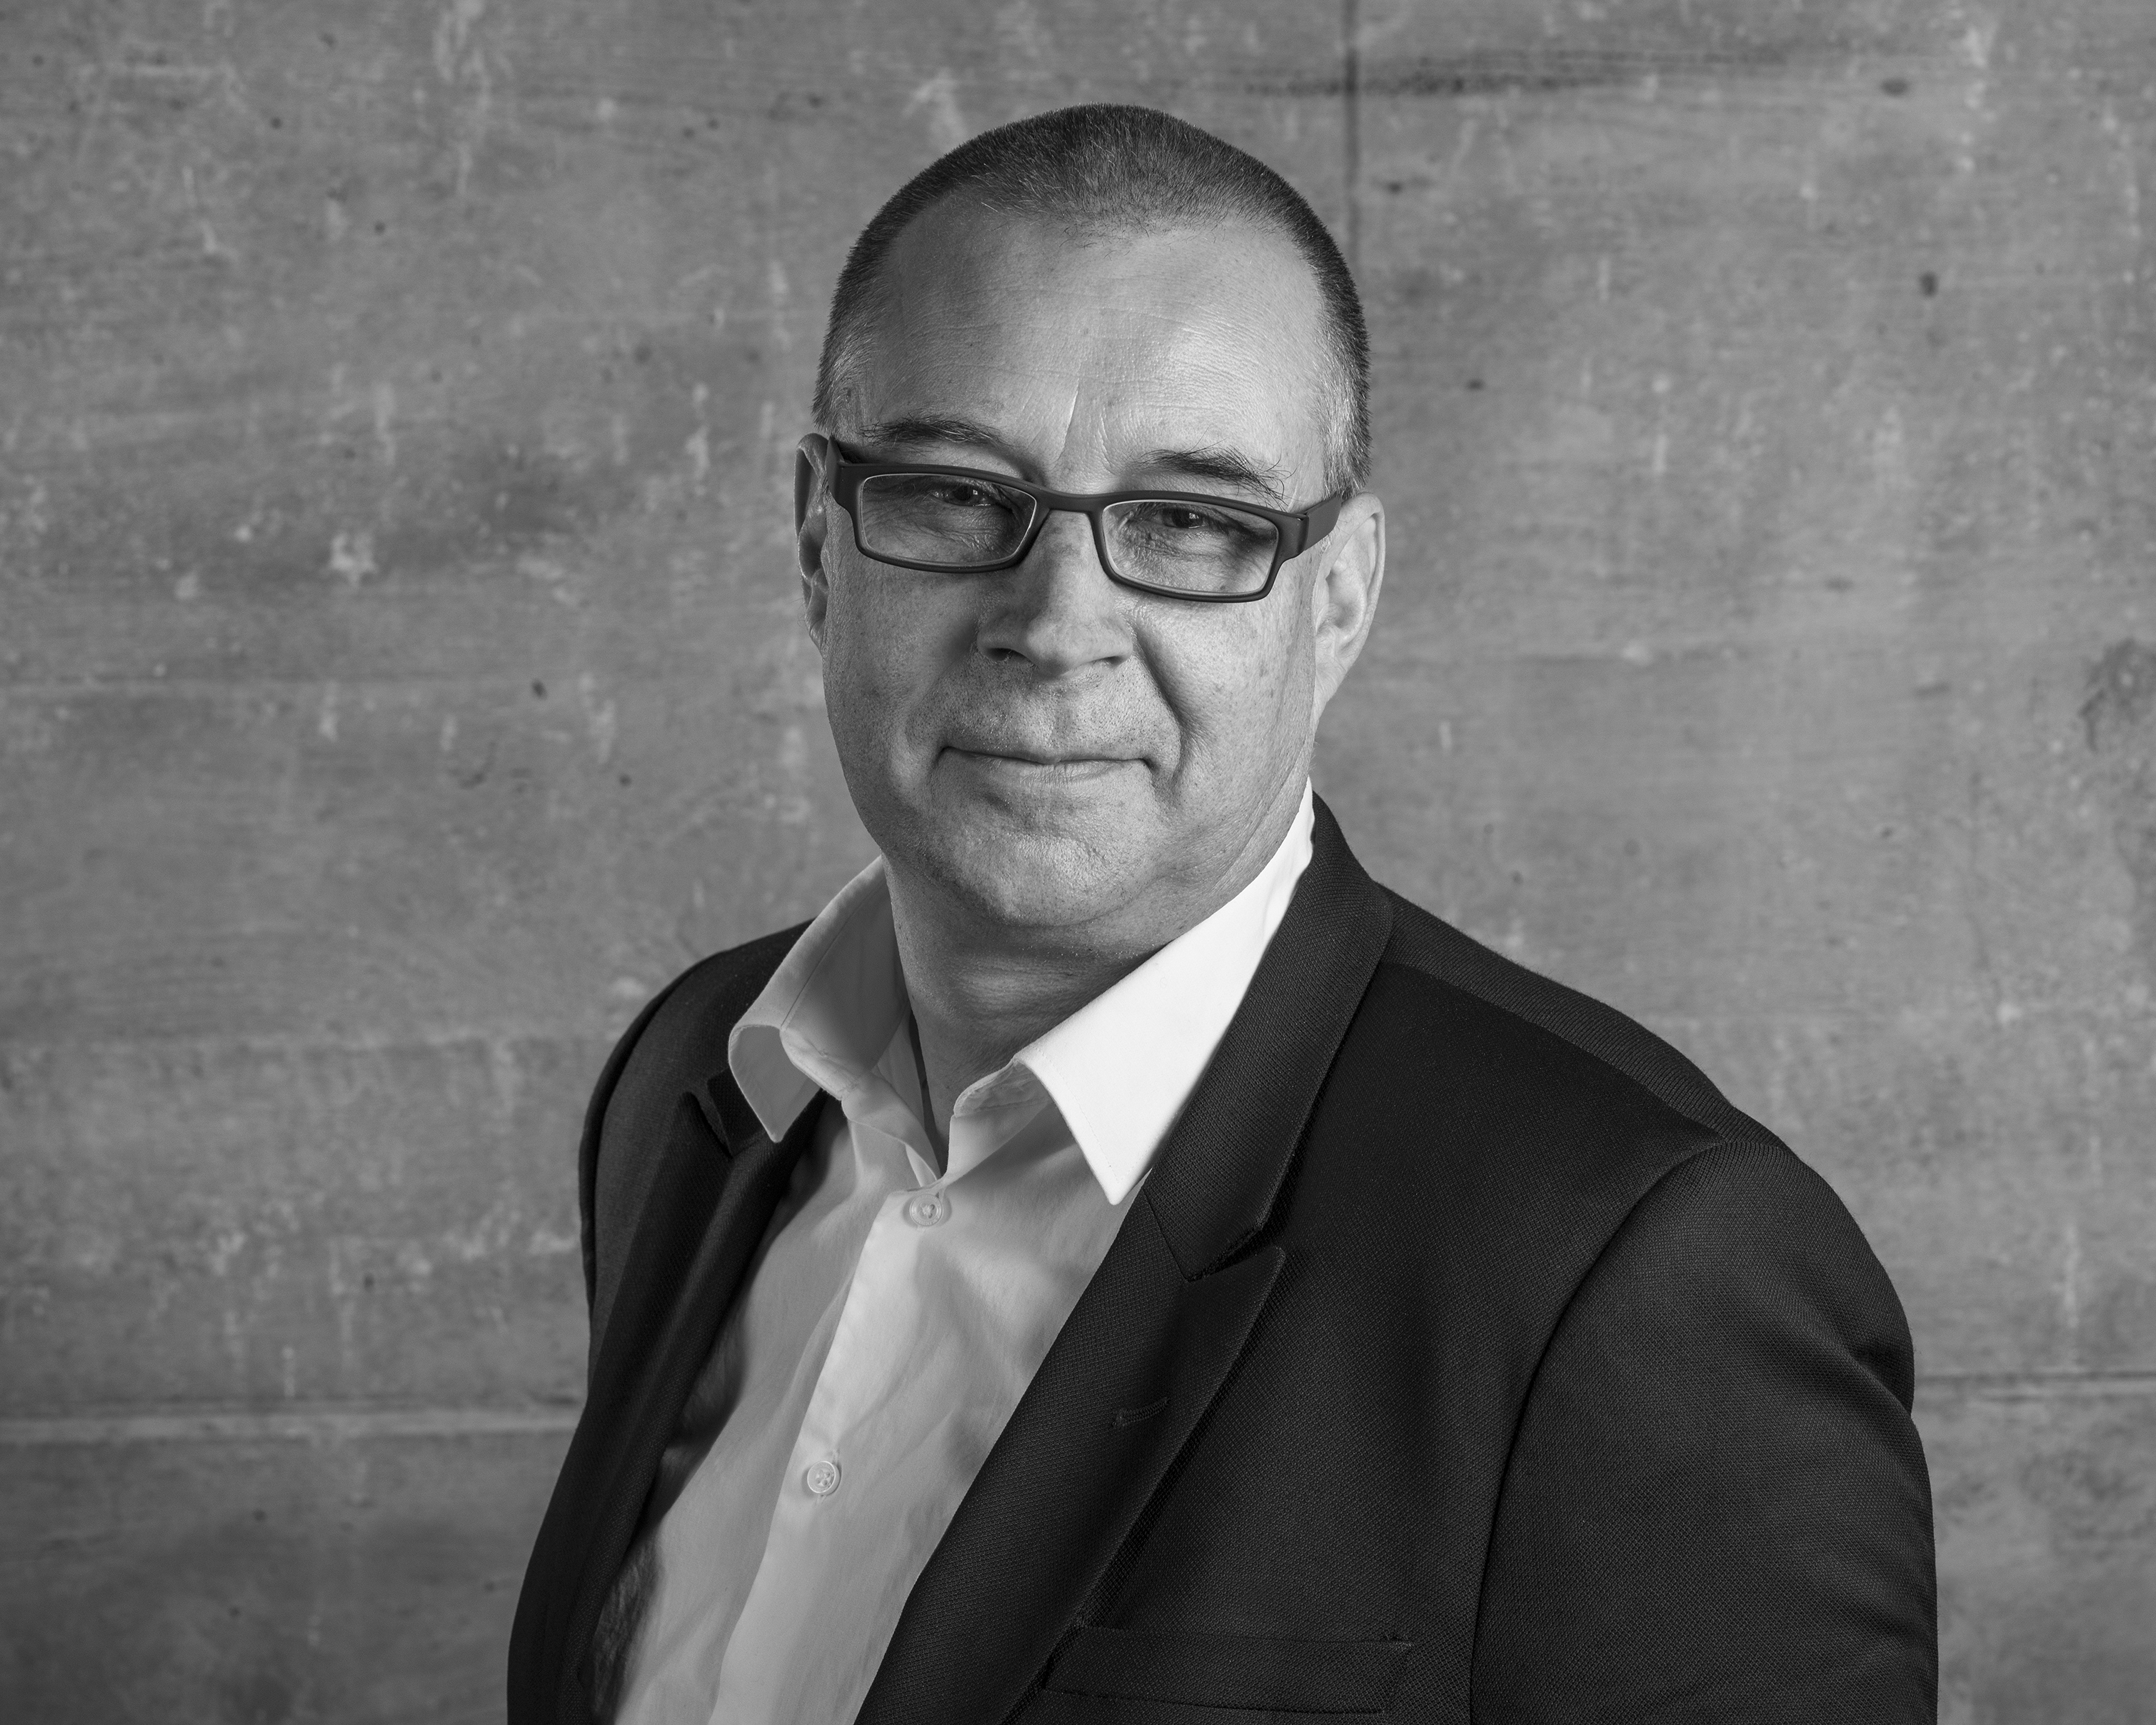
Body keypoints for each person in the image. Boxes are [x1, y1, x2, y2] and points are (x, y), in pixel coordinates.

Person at [509, 104, 1936, 1724]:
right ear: (817, 541)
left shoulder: (1640, 1268)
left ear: (1338, 597)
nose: (1057, 624)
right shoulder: (697, 1081)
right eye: (956, 493)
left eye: (1192, 521)